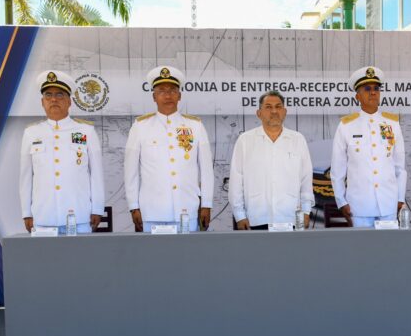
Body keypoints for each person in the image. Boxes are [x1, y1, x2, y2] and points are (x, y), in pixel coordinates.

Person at [124, 66, 213, 232]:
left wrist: (207, 204)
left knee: (187, 257)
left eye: (172, 90)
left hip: (186, 209)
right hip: (151, 211)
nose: (167, 95)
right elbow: (131, 172)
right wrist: (133, 205)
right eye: (161, 91)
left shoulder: (195, 126)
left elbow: (207, 170)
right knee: (152, 257)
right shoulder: (140, 126)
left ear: (179, 96)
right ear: (154, 97)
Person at [19, 70, 104, 234]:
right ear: (42, 102)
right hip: (43, 217)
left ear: (69, 101)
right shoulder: (32, 133)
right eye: (48, 95)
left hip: (79, 215)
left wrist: (97, 208)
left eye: (60, 95)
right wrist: (26, 212)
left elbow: (96, 174)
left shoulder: (85, 131)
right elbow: (26, 177)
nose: (53, 99)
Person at [330, 66, 407, 228]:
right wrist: (341, 201)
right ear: (358, 96)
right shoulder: (346, 126)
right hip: (359, 205)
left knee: (389, 251)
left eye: (376, 89)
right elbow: (338, 170)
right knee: (362, 251)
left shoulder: (392, 124)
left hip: (388, 203)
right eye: (367, 89)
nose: (373, 92)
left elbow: (400, 167)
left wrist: (400, 198)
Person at [229, 91, 314, 230]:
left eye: (278, 107)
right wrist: (240, 215)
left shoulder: (298, 139)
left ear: (285, 112)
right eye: (268, 107)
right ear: (259, 113)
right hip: (255, 218)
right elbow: (236, 181)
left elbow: (305, 179)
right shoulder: (245, 140)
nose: (274, 111)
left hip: (290, 218)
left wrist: (306, 211)